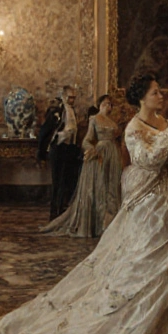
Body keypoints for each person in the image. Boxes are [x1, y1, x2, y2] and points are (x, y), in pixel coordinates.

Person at [0, 74, 168, 334]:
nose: (161, 96)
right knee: (142, 268)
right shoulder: (135, 127)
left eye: (159, 92)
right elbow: (146, 160)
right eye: (155, 93)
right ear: (141, 98)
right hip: (149, 206)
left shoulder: (162, 120)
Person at [41, 95, 123, 237]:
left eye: (110, 104)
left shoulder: (112, 121)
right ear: (99, 105)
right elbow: (86, 140)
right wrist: (92, 150)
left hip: (113, 155)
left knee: (112, 187)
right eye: (105, 103)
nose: (108, 106)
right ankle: (99, 224)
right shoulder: (94, 119)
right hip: (101, 154)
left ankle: (112, 223)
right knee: (101, 188)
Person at [37, 86, 82, 220]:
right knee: (57, 181)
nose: (72, 100)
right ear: (63, 96)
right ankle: (54, 212)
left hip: (70, 149)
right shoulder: (57, 110)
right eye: (70, 97)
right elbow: (45, 131)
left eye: (74, 97)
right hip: (58, 148)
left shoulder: (72, 111)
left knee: (67, 181)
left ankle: (63, 211)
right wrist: (42, 153)